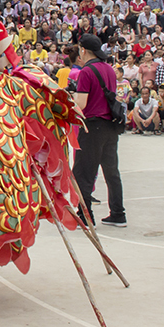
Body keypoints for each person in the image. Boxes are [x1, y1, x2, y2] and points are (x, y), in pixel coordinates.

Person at [73, 34, 125, 227]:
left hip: (92, 126)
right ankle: (118, 213)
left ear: (83, 50)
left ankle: (86, 216)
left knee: (83, 172)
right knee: (111, 171)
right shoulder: (109, 69)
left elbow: (81, 103)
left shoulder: (86, 72)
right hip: (110, 125)